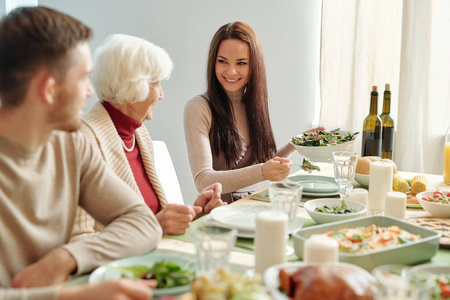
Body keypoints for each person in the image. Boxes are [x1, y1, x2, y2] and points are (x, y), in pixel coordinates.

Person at [0, 6, 162, 300]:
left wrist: (66, 257)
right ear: (49, 90)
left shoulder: (71, 145)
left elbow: (142, 222)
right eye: (84, 77)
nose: (90, 92)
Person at [71, 34, 226, 239]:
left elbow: (154, 219)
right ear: (132, 86)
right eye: (156, 84)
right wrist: (154, 227)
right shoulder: (81, 142)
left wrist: (196, 213)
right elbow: (76, 239)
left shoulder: (139, 133)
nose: (161, 94)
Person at [184, 21, 324, 203]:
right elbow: (203, 181)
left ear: (253, 66)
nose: (231, 71)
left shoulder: (253, 105)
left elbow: (264, 163)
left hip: (253, 204)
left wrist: (296, 145)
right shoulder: (198, 107)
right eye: (222, 61)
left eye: (241, 63)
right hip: (218, 211)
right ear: (213, 62)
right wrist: (263, 171)